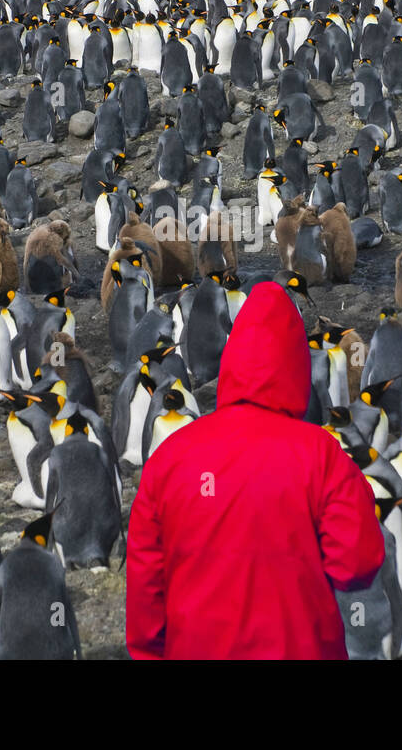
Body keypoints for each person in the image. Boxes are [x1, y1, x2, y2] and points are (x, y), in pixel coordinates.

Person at [125, 280, 385, 659]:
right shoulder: (321, 454)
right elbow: (356, 562)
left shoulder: (170, 457)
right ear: (296, 365)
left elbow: (146, 583)